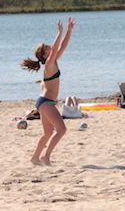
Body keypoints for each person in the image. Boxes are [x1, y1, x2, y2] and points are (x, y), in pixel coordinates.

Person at [21, 17, 75, 166]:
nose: (51, 48)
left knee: (47, 133)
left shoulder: (53, 61)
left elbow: (62, 47)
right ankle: (46, 157)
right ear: (45, 55)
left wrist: (69, 31)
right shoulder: (49, 64)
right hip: (46, 103)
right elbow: (57, 46)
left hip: (44, 102)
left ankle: (35, 158)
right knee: (62, 130)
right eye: (47, 48)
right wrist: (59, 31)